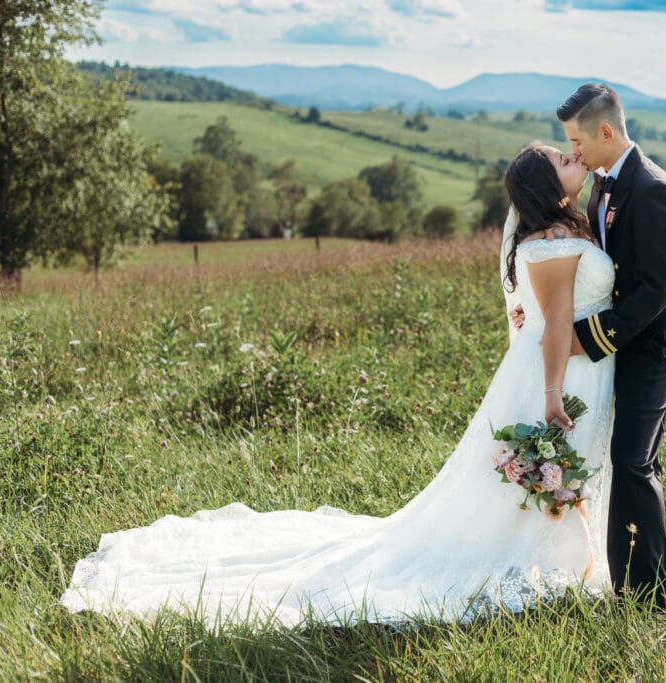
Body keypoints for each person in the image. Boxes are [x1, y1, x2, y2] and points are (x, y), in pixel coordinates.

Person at [59, 144, 618, 629]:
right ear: (547, 186)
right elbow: (556, 327)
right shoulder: (549, 241)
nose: (572, 158)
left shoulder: (571, 224)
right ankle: (552, 557)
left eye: (569, 152)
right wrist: (549, 398)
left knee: (558, 469)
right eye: (561, 158)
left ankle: (570, 552)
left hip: (577, 369)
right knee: (548, 465)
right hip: (559, 374)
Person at [514, 83, 666, 609]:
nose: (573, 152)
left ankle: (645, 597)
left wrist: (584, 339)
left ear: (606, 132)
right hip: (620, 344)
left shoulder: (654, 189)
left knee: (632, 461)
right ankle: (636, 580)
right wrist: (539, 311)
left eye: (577, 141)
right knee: (636, 462)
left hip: (651, 345)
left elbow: (655, 291)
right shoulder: (604, 185)